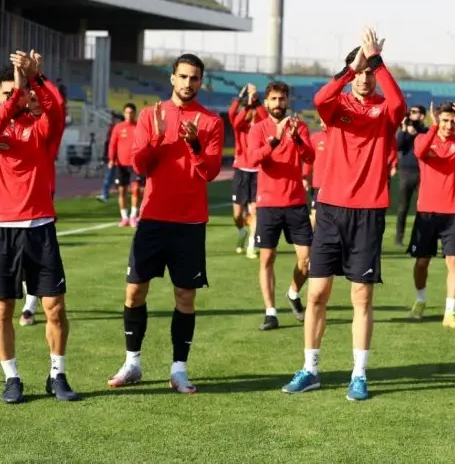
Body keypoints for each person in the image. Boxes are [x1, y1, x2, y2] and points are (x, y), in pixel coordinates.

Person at [282, 27, 406, 401]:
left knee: (362, 298)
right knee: (317, 293)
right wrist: (350, 68)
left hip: (368, 211)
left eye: (370, 72)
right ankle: (310, 369)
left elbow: (399, 104)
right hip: (331, 210)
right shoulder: (337, 107)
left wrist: (378, 61)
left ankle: (359, 374)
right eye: (360, 71)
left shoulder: (385, 109)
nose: (365, 78)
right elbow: (320, 98)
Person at [107, 54, 224, 394]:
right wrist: (157, 139)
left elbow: (210, 172)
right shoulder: (150, 115)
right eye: (183, 76)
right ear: (172, 78)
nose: (188, 83)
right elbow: (139, 166)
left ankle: (179, 369)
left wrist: (195, 143)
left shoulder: (211, 122)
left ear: (201, 81)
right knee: (134, 291)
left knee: (185, 296)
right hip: (153, 218)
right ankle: (132, 363)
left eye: (194, 78)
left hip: (189, 221)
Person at [0, 51, 79, 404]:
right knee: (1, 309)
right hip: (1, 229)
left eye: (18, 93)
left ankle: (57, 375)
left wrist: (36, 80)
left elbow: (56, 110)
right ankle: (12, 378)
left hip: (40, 227)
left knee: (54, 307)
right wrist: (18, 94)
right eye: (7, 94)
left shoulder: (41, 130)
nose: (14, 99)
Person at [248, 81, 315, 330]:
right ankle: (270, 312)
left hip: (295, 202)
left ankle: (293, 293)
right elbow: (253, 159)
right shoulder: (258, 129)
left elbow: (310, 156)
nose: (278, 103)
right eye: (274, 99)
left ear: (287, 101)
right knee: (267, 257)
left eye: (282, 98)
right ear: (266, 102)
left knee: (307, 260)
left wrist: (296, 138)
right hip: (268, 204)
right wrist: (274, 141)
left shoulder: (300, 126)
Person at [407, 101, 455, 328]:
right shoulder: (423, 139)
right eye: (445, 120)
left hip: (454, 212)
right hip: (427, 212)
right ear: (437, 119)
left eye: (452, 121)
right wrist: (434, 127)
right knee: (422, 262)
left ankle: (450, 313)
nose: (449, 125)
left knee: (453, 261)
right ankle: (420, 300)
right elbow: (419, 151)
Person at [18, 52, 67, 327]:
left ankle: (30, 305)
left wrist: (38, 76)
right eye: (32, 99)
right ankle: (29, 300)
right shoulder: (19, 123)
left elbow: (56, 102)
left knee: (34, 260)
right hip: (12, 202)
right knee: (20, 264)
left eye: (39, 98)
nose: (36, 103)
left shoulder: (50, 127)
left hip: (40, 197)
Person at [228, 83, 266, 257]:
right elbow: (232, 115)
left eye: (253, 110)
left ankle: (251, 245)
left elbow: (265, 116)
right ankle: (242, 232)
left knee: (255, 211)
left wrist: (255, 100)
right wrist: (242, 98)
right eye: (249, 110)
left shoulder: (261, 127)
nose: (252, 113)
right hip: (241, 171)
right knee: (237, 215)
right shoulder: (239, 127)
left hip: (257, 172)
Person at [394, 105, 427, 246]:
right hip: (406, 173)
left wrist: (416, 133)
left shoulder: (425, 131)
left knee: (423, 207)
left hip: (422, 173)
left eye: (414, 112)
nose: (411, 114)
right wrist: (403, 130)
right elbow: (397, 146)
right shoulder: (405, 130)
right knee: (403, 207)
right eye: (410, 112)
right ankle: (399, 238)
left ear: (422, 116)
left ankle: (420, 238)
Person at [108, 103, 144, 228]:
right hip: (120, 164)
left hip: (135, 164)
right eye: (127, 113)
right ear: (124, 114)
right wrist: (111, 159)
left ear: (135, 113)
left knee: (136, 189)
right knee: (122, 190)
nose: (129, 115)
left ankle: (133, 216)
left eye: (131, 112)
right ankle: (124, 217)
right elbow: (112, 144)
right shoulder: (118, 127)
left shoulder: (139, 127)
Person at [307, 120, 328, 229]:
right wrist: (305, 176)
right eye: (320, 121)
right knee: (315, 213)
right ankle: (309, 238)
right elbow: (308, 159)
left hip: (336, 184)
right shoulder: (315, 138)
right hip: (318, 184)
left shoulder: (339, 138)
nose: (321, 124)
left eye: (324, 121)